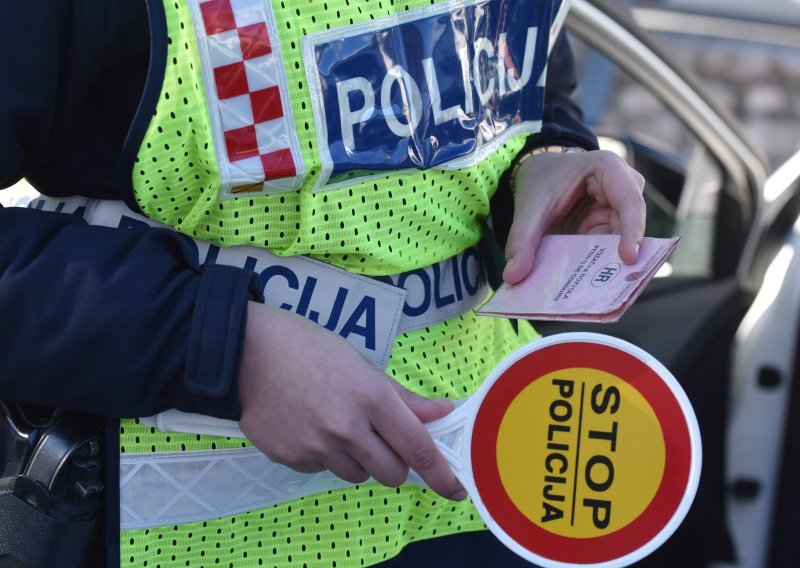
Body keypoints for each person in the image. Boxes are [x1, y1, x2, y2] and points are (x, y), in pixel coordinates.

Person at [0, 0, 645, 566]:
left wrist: (546, 164)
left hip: (485, 496)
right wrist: (229, 351)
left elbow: (523, 92)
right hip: (204, 530)